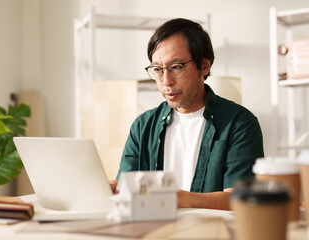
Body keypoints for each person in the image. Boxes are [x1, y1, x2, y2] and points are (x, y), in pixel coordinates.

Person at [109, 18, 264, 210]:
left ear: (204, 66)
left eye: (176, 68)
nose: (166, 81)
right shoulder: (142, 126)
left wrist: (177, 199)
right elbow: (126, 188)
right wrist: (112, 189)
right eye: (158, 69)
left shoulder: (239, 124)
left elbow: (241, 199)